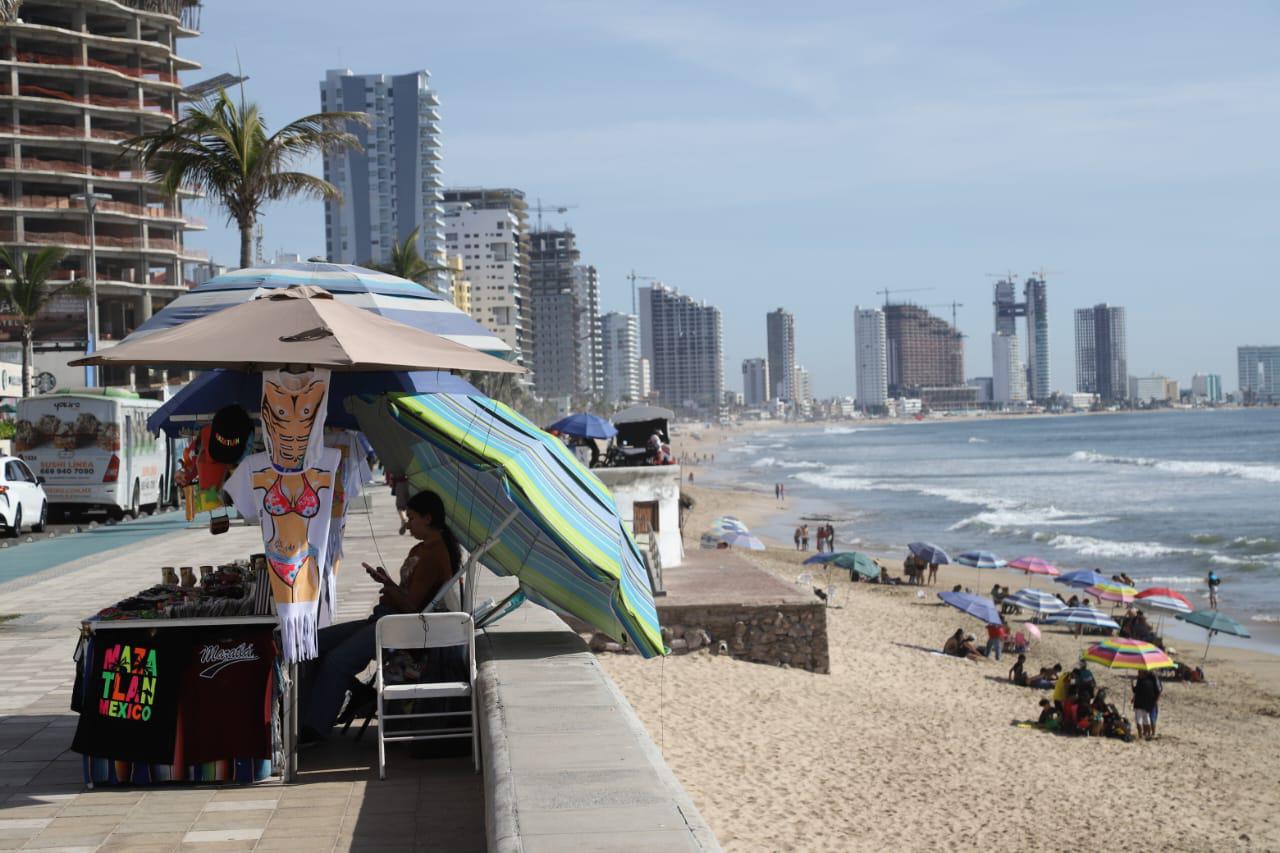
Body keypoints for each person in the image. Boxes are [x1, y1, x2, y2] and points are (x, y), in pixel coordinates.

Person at [302, 490, 462, 742]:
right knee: (314, 645)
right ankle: (335, 703)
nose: (408, 524)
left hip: (399, 627)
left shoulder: (435, 555)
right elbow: (407, 592)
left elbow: (411, 608)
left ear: (428, 518)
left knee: (336, 661)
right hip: (385, 618)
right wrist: (388, 582)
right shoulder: (422, 548)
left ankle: (315, 728)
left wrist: (389, 590)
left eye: (412, 518)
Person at [1132, 669, 1162, 740]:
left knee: (1150, 719)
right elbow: (1138, 690)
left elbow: (1158, 691)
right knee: (1147, 719)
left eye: (1139, 672)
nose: (1138, 673)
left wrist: (1155, 701)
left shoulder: (1153, 678)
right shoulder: (1142, 679)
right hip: (1148, 703)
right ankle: (1147, 734)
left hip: (1150, 702)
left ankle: (1151, 734)